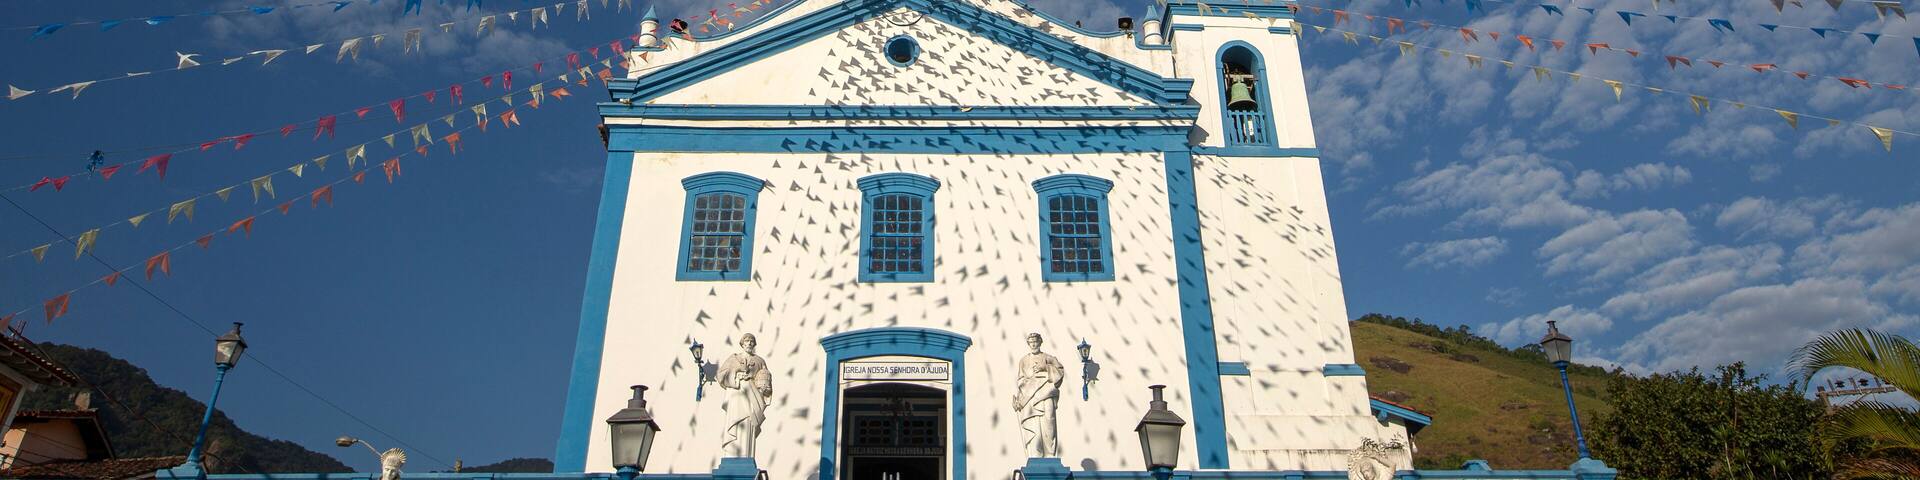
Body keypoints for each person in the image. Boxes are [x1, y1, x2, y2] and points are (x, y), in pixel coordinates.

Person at [716, 333, 772, 457]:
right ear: (742, 343)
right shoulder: (733, 359)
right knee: (735, 422)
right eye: (747, 341)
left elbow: (765, 379)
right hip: (737, 395)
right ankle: (731, 454)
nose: (749, 343)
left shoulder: (759, 361)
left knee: (748, 424)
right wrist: (736, 375)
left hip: (752, 398)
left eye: (752, 341)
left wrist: (763, 389)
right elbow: (721, 376)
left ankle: (746, 455)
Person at [1013, 333, 1065, 457]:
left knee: (1049, 423)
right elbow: (1020, 382)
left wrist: (1045, 367)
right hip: (1030, 398)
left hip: (1046, 394)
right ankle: (1036, 455)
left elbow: (1060, 372)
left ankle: (1050, 454)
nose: (1033, 344)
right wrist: (1019, 401)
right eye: (1031, 342)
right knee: (1034, 428)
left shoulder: (1048, 358)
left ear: (1040, 342)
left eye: (1035, 341)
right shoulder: (1024, 361)